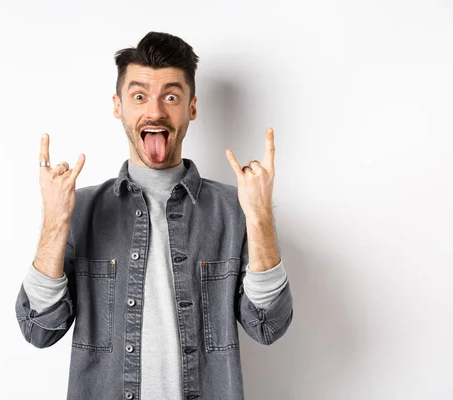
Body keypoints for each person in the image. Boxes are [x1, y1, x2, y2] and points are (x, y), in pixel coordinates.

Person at [15, 31, 293, 400]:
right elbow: (38, 330)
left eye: (171, 96)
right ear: (118, 106)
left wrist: (258, 217)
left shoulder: (234, 208)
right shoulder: (78, 209)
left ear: (192, 107)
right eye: (140, 96)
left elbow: (268, 326)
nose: (156, 111)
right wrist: (55, 221)